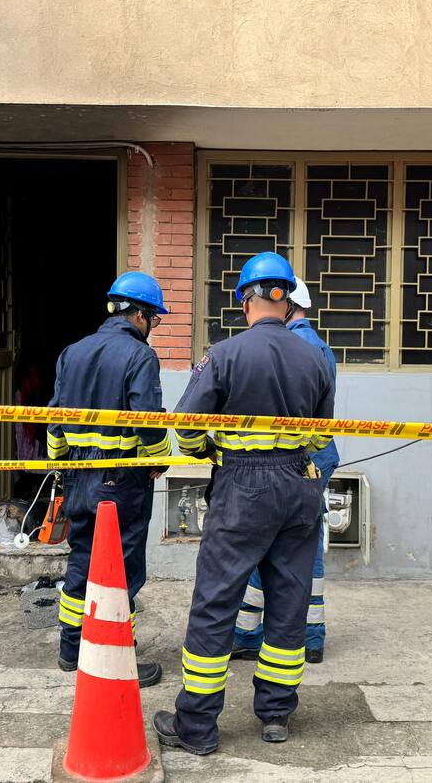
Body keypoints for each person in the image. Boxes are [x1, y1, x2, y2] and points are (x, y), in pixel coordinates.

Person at [153, 252, 335, 754]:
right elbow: (321, 435)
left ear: (243, 300)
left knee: (216, 600)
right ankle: (276, 712)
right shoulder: (316, 357)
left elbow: (185, 426)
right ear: (287, 298)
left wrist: (206, 451)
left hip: (241, 489)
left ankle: (197, 727)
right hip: (300, 488)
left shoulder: (224, 354)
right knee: (289, 598)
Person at [47, 271, 172, 688]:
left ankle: (71, 649)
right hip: (123, 477)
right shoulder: (140, 357)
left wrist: (62, 464)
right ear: (139, 315)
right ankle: (118, 657)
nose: (152, 327)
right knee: (122, 568)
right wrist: (159, 460)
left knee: (82, 559)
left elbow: (54, 418)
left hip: (81, 474)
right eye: (153, 319)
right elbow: (148, 422)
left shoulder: (72, 352)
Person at [232, 276, 339, 664]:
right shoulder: (318, 347)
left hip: (290, 463)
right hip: (313, 459)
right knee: (300, 547)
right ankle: (308, 636)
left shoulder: (295, 346)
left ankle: (252, 633)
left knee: (272, 545)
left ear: (286, 305)